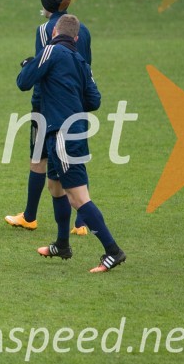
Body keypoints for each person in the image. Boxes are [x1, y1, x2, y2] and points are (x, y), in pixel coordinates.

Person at [16, 15, 125, 273]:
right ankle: (62, 244)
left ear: (54, 32)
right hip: (74, 130)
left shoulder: (50, 50)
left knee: (78, 197)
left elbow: (23, 82)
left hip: (62, 133)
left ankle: (113, 251)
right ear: (76, 38)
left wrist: (29, 65)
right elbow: (94, 101)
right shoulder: (81, 62)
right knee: (55, 187)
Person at [5, 0, 92, 236]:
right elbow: (86, 65)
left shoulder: (45, 30)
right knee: (76, 158)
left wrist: (28, 65)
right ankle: (81, 222)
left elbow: (44, 63)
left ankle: (30, 217)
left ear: (46, 5)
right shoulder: (82, 29)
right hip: (77, 102)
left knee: (38, 158)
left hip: (47, 105)